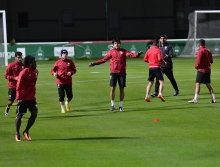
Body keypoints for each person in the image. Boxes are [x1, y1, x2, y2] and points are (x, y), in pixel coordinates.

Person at [88, 38, 143, 112]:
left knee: (122, 89)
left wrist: (138, 54)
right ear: (113, 44)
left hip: (122, 73)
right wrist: (94, 63)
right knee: (112, 89)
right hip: (113, 72)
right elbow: (103, 60)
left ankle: (120, 106)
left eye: (118, 43)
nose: (117, 45)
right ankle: (112, 105)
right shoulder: (111, 52)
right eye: (115, 43)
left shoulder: (123, 51)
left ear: (120, 44)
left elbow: (131, 55)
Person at [15, 55, 38, 141]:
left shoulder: (36, 72)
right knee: (20, 115)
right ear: (29, 63)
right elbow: (18, 86)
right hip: (23, 98)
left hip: (31, 97)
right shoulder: (23, 72)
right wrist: (19, 98)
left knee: (34, 114)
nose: (35, 64)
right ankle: (17, 133)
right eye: (33, 62)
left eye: (35, 62)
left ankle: (26, 131)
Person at [188, 39, 216, 103]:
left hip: (201, 70)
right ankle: (213, 98)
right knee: (208, 84)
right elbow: (211, 61)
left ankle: (195, 99)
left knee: (197, 84)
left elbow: (198, 61)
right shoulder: (208, 50)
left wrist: (196, 66)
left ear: (199, 44)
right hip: (208, 70)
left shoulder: (200, 51)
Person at [51, 49, 77, 113]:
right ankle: (62, 108)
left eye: (65, 54)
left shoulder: (70, 62)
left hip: (68, 81)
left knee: (70, 95)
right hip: (60, 81)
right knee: (61, 95)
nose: (64, 55)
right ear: (61, 55)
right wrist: (54, 73)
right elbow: (53, 70)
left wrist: (71, 73)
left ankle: (67, 102)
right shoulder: (58, 62)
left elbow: (74, 70)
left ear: (67, 54)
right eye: (63, 54)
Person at [4, 51, 24, 116]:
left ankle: (18, 114)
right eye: (18, 57)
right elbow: (6, 75)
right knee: (10, 102)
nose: (20, 59)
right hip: (12, 86)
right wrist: (14, 78)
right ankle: (8, 107)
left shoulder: (23, 66)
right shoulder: (11, 65)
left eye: (21, 57)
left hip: (20, 87)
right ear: (15, 57)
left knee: (20, 101)